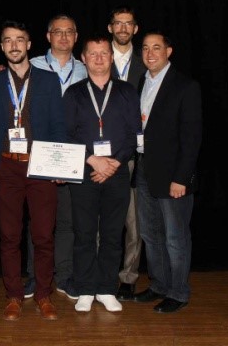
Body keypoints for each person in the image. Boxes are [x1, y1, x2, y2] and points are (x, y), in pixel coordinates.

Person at [0, 20, 65, 321]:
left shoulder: (48, 80)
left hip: (40, 164)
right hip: (6, 166)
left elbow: (58, 125)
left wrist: (58, 164)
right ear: (2, 46)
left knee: (43, 236)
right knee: (9, 236)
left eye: (19, 40)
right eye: (8, 40)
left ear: (29, 45)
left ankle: (43, 294)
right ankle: (14, 295)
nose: (14, 45)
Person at [63, 35, 141, 312]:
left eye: (104, 53)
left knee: (112, 233)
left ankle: (107, 288)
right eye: (93, 54)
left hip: (117, 172)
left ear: (111, 58)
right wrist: (92, 159)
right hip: (84, 171)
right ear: (83, 58)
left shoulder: (127, 91)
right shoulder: (73, 93)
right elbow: (67, 134)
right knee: (84, 233)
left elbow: (134, 135)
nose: (98, 58)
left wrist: (114, 163)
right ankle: (85, 289)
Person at [132, 32, 202, 313]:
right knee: (151, 235)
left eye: (156, 48)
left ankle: (178, 292)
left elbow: (192, 138)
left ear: (168, 51)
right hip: (144, 169)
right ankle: (159, 285)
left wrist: (181, 178)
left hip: (173, 176)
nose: (150, 54)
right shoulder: (142, 82)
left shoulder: (186, 86)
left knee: (175, 238)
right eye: (145, 48)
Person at [23, 14, 87, 299]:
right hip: (39, 152)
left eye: (69, 31)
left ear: (76, 37)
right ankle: (36, 276)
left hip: (73, 155)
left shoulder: (86, 69)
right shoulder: (32, 65)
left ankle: (64, 276)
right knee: (38, 222)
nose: (63, 36)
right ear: (48, 36)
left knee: (66, 222)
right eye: (57, 32)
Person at [107, 6, 147, 301]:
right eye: (118, 23)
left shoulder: (147, 62)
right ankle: (102, 273)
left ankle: (128, 276)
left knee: (134, 222)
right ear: (110, 28)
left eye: (128, 23)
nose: (122, 28)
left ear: (135, 28)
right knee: (100, 221)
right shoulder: (94, 57)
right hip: (100, 155)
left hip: (135, 155)